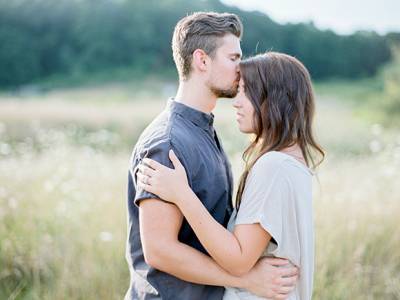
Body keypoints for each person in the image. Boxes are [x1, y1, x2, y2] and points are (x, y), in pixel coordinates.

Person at [126, 12, 298, 300]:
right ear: (202, 60)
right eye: (233, 58)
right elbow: (159, 251)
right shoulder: (168, 142)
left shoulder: (202, 130)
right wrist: (246, 279)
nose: (241, 68)